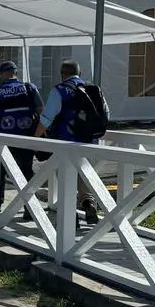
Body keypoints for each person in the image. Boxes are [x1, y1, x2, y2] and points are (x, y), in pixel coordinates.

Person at [34, 59, 105, 225]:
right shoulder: (93, 89)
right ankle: (89, 205)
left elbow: (46, 119)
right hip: (90, 143)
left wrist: (34, 139)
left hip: (65, 145)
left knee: (67, 181)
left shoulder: (59, 91)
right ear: (80, 74)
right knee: (85, 178)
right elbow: (105, 114)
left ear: (61, 75)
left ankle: (71, 219)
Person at [0, 61, 43, 222]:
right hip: (26, 137)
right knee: (26, 172)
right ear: (16, 72)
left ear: (2, 74)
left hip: (3, 139)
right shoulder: (29, 87)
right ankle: (29, 208)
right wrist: (38, 134)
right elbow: (41, 111)